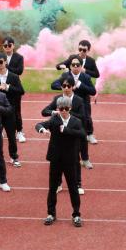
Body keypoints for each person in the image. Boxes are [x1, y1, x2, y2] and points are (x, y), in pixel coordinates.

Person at [35, 96, 85, 227]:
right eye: (61, 108)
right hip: (56, 159)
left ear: (70, 108)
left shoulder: (76, 121)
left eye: (66, 108)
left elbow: (82, 134)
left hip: (70, 160)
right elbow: (39, 124)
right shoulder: (54, 120)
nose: (63, 111)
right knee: (52, 187)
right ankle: (51, 214)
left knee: (73, 188)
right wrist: (43, 130)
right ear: (58, 108)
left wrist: (66, 130)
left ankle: (76, 214)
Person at [0, 52, 25, 168]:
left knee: (11, 136)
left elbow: (21, 91)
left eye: (1, 62)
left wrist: (8, 87)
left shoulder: (14, 76)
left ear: (5, 62)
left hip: (9, 111)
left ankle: (14, 157)